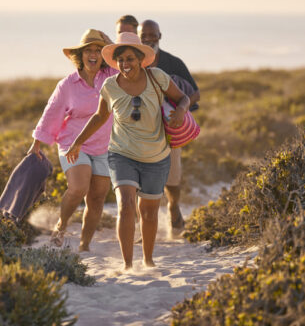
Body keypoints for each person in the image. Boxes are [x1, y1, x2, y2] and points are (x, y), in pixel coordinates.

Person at [65, 32, 190, 270]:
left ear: (141, 59)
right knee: (126, 204)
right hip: (122, 154)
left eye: (130, 59)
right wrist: (77, 142)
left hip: (156, 156)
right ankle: (128, 264)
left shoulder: (157, 77)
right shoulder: (110, 85)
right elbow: (100, 116)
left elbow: (183, 97)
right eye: (121, 60)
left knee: (149, 212)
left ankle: (148, 259)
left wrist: (182, 111)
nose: (125, 64)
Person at [28, 29, 117, 251]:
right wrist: (37, 142)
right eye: (89, 50)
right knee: (78, 187)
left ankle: (84, 245)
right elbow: (52, 112)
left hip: (104, 146)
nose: (94, 54)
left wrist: (109, 43)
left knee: (97, 198)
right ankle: (61, 224)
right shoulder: (67, 85)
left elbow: (124, 58)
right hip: (73, 141)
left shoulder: (111, 77)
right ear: (80, 55)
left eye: (98, 50)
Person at [138, 19, 200, 238]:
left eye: (152, 35)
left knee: (172, 180)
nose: (148, 39)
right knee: (140, 182)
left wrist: (183, 109)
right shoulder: (133, 62)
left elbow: (195, 93)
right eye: (143, 35)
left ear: (160, 36)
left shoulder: (173, 62)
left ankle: (173, 206)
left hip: (170, 129)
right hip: (140, 132)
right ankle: (145, 229)